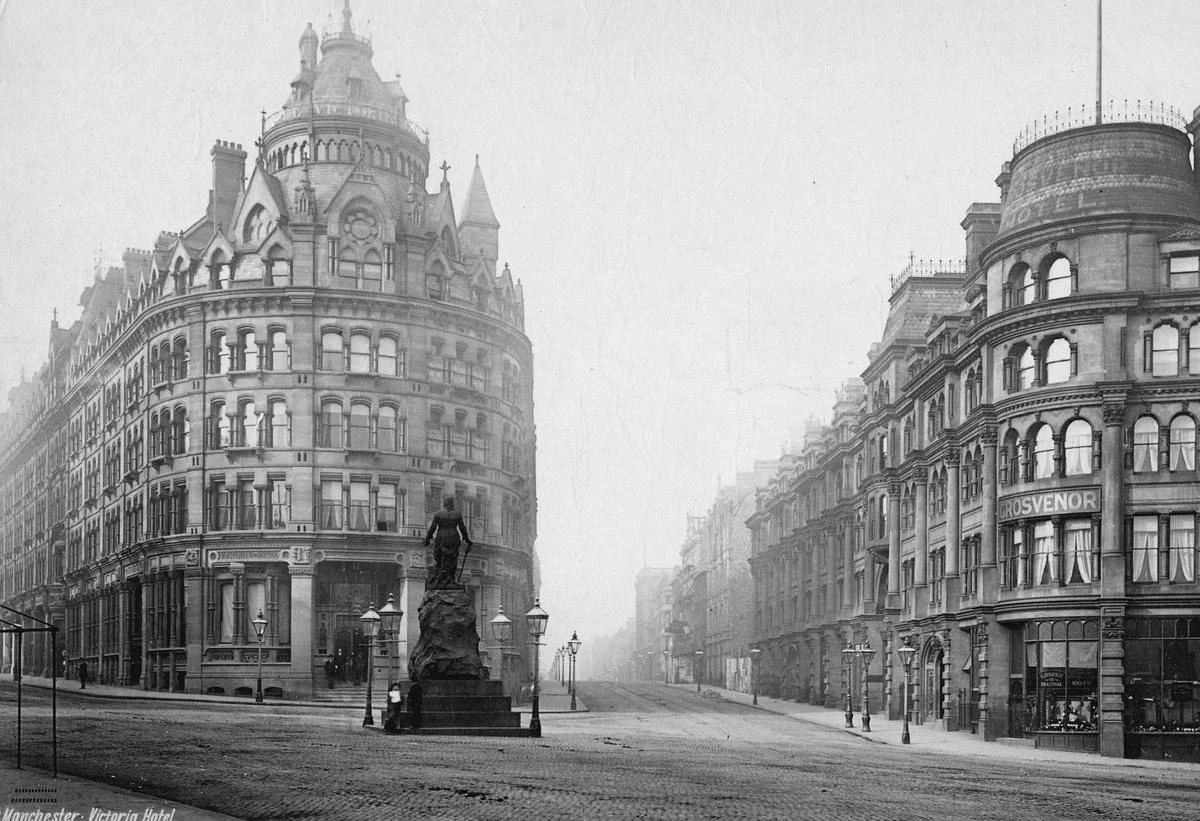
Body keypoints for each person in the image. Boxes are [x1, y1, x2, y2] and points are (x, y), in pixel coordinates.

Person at [422, 497, 473, 589]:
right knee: (452, 559)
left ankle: (441, 578)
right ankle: (450, 578)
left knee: (439, 557)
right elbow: (462, 529)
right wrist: (467, 540)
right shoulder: (457, 514)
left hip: (442, 537)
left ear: (444, 504)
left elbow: (433, 527)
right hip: (454, 537)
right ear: (451, 504)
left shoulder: (438, 514)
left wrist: (427, 539)